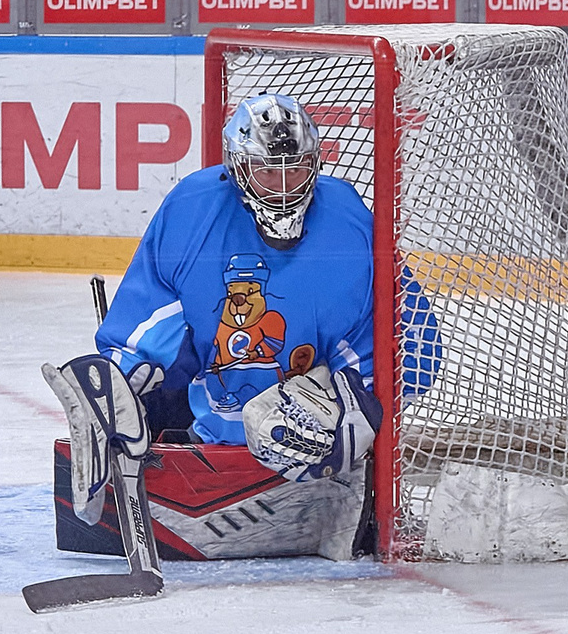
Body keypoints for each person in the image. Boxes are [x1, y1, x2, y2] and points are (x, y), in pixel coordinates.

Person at [58, 93, 391, 560]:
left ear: (315, 163)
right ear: (237, 168)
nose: (283, 187)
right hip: (211, 444)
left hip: (313, 466)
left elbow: (407, 335)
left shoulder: (348, 221)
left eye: (295, 169)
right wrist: (118, 385)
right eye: (267, 171)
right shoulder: (194, 208)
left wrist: (355, 400)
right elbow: (152, 320)